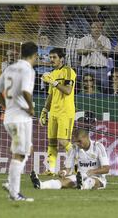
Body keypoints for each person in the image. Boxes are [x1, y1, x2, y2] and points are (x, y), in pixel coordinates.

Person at [0, 41, 37, 201]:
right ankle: (14, 193)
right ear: (35, 55)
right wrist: (31, 107)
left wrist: (5, 106)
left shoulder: (9, 67)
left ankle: (11, 185)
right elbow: (25, 91)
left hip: (9, 117)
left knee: (24, 151)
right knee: (20, 154)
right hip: (21, 119)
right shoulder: (28, 70)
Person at [30, 128, 110, 190]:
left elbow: (106, 169)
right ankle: (41, 185)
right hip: (80, 176)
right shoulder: (74, 148)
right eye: (76, 141)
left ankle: (82, 185)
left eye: (79, 141)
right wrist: (64, 172)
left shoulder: (98, 147)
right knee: (63, 182)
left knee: (91, 181)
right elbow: (68, 168)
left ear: (86, 137)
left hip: (97, 178)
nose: (78, 144)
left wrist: (92, 172)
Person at [39, 48, 77, 176]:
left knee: (63, 141)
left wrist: (54, 82)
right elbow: (50, 95)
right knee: (52, 141)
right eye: (50, 57)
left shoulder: (68, 71)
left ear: (61, 58)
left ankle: (77, 166)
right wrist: (44, 110)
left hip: (65, 112)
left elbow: (67, 90)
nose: (52, 60)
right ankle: (50, 169)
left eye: (54, 57)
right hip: (54, 112)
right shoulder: (52, 73)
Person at [77, 22, 111, 93]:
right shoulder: (84, 39)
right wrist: (88, 50)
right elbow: (79, 51)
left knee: (104, 90)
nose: (96, 29)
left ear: (101, 29)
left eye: (98, 27)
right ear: (91, 29)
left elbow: (108, 53)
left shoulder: (106, 40)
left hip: (102, 70)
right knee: (85, 90)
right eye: (94, 27)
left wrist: (101, 46)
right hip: (87, 69)